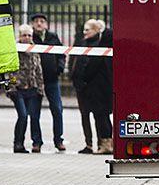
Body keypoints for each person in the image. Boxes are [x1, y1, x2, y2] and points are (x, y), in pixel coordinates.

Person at [70, 18, 112, 155]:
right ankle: (91, 144)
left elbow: (92, 66)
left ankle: (105, 143)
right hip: (84, 88)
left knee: (101, 115)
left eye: (88, 29)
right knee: (89, 116)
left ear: (96, 30)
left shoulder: (99, 46)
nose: (84, 32)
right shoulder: (83, 44)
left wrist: (84, 78)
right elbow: (76, 62)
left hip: (97, 88)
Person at [30, 13, 65, 152]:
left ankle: (58, 140)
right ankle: (36, 142)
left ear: (46, 24)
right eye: (36, 21)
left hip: (52, 80)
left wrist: (60, 68)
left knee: (57, 110)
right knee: (34, 113)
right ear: (33, 24)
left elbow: (61, 53)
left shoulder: (53, 37)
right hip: (35, 81)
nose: (39, 23)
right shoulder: (30, 38)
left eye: (42, 21)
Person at [9, 24, 44, 153]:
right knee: (23, 115)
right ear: (19, 36)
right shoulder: (14, 49)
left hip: (33, 88)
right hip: (18, 89)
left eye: (29, 35)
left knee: (34, 117)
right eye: (24, 35)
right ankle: (18, 143)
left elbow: (39, 70)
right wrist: (11, 87)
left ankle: (37, 143)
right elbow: (10, 71)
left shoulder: (35, 49)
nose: (27, 37)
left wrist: (40, 88)